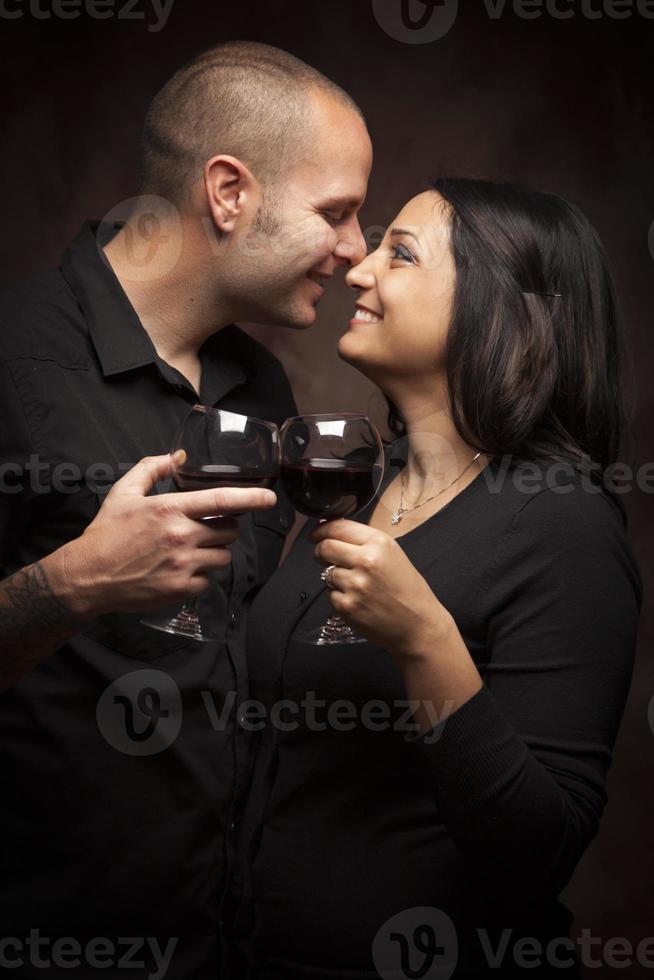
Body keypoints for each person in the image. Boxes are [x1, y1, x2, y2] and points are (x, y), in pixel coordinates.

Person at [0, 41, 371, 978]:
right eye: (336, 212)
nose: (356, 249)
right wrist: (72, 584)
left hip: (220, 939)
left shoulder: (263, 387)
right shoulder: (15, 360)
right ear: (229, 192)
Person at [227, 178, 643, 979]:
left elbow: (538, 855)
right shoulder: (360, 487)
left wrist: (425, 642)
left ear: (504, 311)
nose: (357, 270)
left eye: (401, 254)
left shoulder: (563, 524)